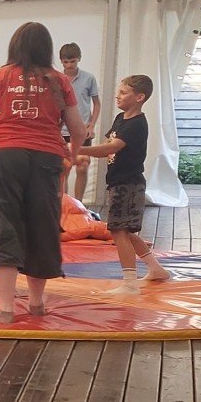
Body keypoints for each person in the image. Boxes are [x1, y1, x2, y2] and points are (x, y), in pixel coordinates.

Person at [0, 23, 86, 325]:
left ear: (14, 46)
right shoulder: (59, 80)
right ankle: (36, 304)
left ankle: (6, 309)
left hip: (3, 155)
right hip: (46, 156)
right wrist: (72, 154)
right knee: (42, 224)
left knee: (1, 222)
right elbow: (78, 129)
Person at [79, 74, 172, 287]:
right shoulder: (121, 119)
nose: (117, 96)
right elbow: (107, 144)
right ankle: (156, 268)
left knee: (119, 231)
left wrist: (78, 149)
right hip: (118, 182)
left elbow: (113, 147)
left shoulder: (137, 124)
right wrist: (86, 153)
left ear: (139, 97)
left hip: (128, 184)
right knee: (125, 231)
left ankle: (129, 284)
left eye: (123, 92)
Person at [60, 42, 101, 201]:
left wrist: (92, 125)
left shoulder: (88, 78)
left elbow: (96, 103)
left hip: (82, 129)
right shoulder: (57, 79)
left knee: (83, 165)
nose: (70, 65)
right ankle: (64, 204)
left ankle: (79, 203)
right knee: (64, 167)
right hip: (62, 130)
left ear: (79, 59)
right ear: (61, 61)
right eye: (66, 62)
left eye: (73, 61)